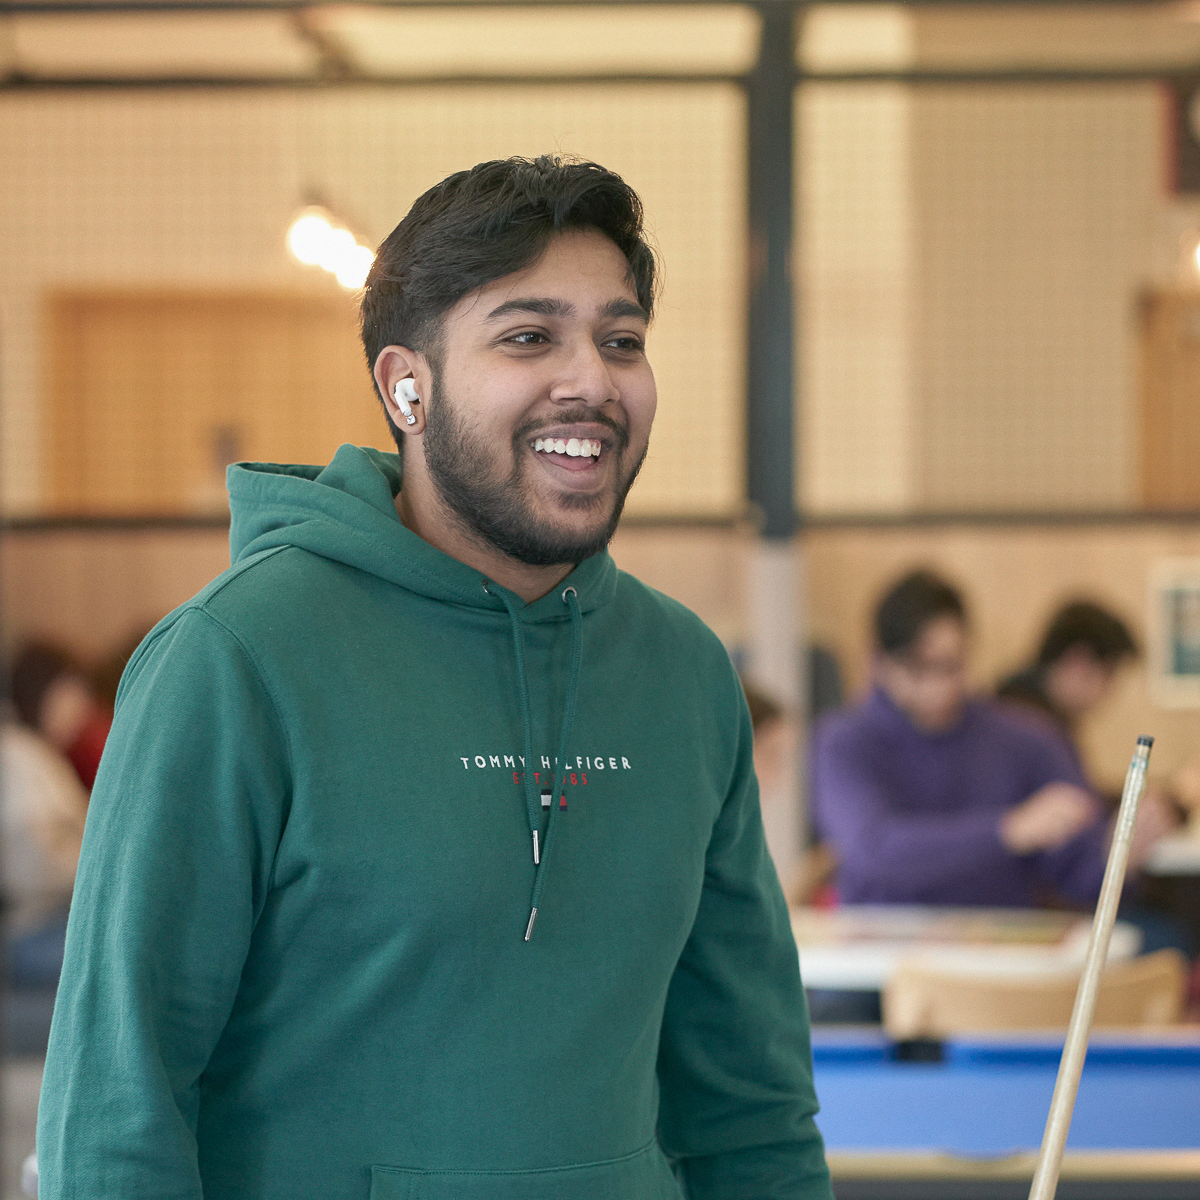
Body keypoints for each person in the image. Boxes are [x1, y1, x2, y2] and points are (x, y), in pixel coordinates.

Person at [38, 157, 832, 1200]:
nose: (591, 379)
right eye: (528, 335)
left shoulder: (686, 673)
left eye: (622, 339)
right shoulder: (233, 664)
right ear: (404, 385)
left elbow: (751, 1103)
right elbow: (117, 1108)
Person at [811, 569, 1164, 909]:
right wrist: (1006, 831)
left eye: (952, 666)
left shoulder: (1027, 738)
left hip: (1002, 957)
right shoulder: (843, 742)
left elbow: (1079, 874)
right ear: (878, 662)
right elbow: (873, 850)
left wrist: (1119, 853)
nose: (939, 688)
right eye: (918, 668)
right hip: (879, 953)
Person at [997, 600, 1138, 762]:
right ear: (1078, 661)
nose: (1110, 690)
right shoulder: (1029, 726)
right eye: (1108, 674)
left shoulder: (1014, 708)